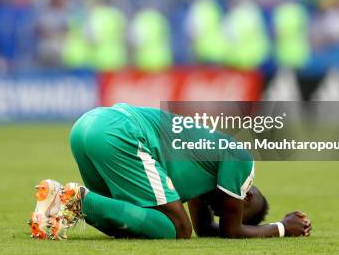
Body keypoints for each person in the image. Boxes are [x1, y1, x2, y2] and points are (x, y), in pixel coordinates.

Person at [30, 103, 312, 240]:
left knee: (134, 221)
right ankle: (78, 200)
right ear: (246, 195)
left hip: (87, 125)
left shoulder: (204, 175)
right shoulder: (240, 160)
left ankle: (57, 209)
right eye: (232, 207)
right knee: (178, 229)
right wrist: (282, 228)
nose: (222, 211)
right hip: (121, 132)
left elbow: (207, 230)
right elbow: (231, 229)